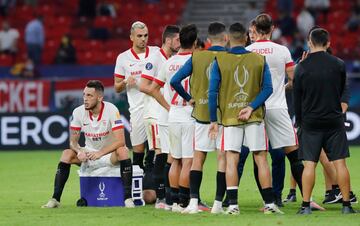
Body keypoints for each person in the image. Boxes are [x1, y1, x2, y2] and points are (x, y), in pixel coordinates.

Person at [208, 22, 282, 215]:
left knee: (232, 159)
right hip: (255, 116)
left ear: (228, 39)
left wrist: (213, 120)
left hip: (230, 118)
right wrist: (250, 107)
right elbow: (268, 89)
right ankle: (270, 205)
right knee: (261, 158)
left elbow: (212, 92)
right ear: (246, 38)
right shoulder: (259, 59)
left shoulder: (220, 60)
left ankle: (232, 205)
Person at [246, 14, 308, 208]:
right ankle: (307, 200)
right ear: (272, 28)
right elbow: (292, 79)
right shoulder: (282, 50)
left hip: (256, 108)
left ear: (255, 28)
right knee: (294, 155)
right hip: (278, 107)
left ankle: (269, 201)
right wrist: (288, 81)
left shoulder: (247, 51)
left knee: (259, 155)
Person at [42, 80, 135, 208]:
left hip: (108, 155)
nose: (85, 99)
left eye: (89, 96)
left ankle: (127, 199)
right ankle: (55, 199)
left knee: (123, 151)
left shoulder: (111, 109)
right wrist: (79, 151)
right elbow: (72, 142)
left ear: (100, 98)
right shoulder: (78, 112)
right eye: (84, 95)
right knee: (66, 154)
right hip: (89, 155)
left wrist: (100, 153)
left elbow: (121, 141)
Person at [294, 28, 356, 214]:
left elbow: (297, 99)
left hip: (311, 122)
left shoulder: (302, 67)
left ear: (309, 43)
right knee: (340, 164)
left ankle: (305, 206)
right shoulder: (339, 64)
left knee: (309, 165)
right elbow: (341, 90)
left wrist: (300, 122)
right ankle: (346, 206)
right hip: (334, 121)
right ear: (328, 43)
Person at [170, 22, 228, 214]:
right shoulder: (229, 57)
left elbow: (174, 81)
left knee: (198, 159)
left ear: (209, 40)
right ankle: (218, 204)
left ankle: (193, 203)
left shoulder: (196, 57)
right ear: (225, 38)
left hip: (202, 113)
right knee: (222, 159)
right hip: (225, 116)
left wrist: (189, 99)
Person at [149, 24, 198, 212]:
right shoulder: (196, 61)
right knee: (188, 161)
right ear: (194, 42)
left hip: (173, 115)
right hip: (189, 115)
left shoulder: (169, 62)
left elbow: (154, 88)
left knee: (174, 159)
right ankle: (184, 202)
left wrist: (168, 106)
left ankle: (172, 202)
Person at [138, 25, 180, 208]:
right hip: (154, 114)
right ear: (168, 40)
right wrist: (166, 105)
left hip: (164, 113)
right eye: (177, 40)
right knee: (160, 153)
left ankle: (169, 195)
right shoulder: (154, 59)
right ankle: (162, 197)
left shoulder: (171, 59)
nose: (179, 43)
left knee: (168, 152)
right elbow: (143, 85)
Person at [114, 21, 158, 170]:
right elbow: (117, 87)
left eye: (146, 35)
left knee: (155, 151)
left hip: (156, 108)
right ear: (131, 37)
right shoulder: (123, 58)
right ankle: (137, 186)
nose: (143, 39)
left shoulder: (156, 52)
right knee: (138, 150)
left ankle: (155, 187)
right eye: (139, 36)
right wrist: (126, 81)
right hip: (137, 110)